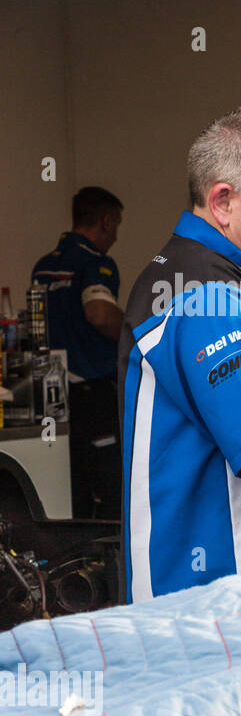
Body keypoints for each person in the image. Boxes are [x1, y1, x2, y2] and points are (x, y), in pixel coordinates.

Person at [118, 107, 241, 602]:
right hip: (215, 609)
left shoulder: (194, 277)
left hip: (205, 604)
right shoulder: (210, 301)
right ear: (223, 202)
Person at [31, 187, 125, 517]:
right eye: (116, 226)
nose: (115, 236)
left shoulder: (43, 267)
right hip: (93, 392)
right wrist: (137, 333)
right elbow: (99, 313)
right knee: (109, 491)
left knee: (71, 489)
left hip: (52, 394)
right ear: (106, 221)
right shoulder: (97, 262)